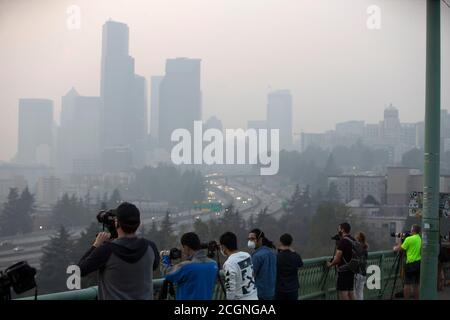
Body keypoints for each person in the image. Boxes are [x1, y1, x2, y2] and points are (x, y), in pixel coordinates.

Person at [78, 202, 160, 300]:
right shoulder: (150, 247)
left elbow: (79, 270)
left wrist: (96, 245)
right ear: (138, 223)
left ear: (117, 222)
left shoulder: (106, 251)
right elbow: (153, 266)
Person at [161, 232, 218, 300]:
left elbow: (167, 273)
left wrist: (165, 258)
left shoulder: (186, 267)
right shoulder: (213, 264)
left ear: (186, 247)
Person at [219, 231, 258, 300]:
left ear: (223, 247)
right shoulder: (246, 255)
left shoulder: (229, 264)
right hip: (254, 296)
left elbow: (230, 289)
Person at [327, 222, 356, 300]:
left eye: (339, 228)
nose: (338, 230)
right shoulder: (353, 240)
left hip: (343, 270)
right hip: (352, 269)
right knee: (351, 292)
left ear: (342, 230)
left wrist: (330, 264)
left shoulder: (343, 241)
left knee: (343, 293)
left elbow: (337, 259)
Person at [393, 224, 422, 300]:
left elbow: (399, 248)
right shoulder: (419, 238)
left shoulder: (409, 239)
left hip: (410, 263)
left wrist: (396, 245)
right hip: (418, 263)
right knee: (416, 284)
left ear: (413, 230)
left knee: (407, 283)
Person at [248, 228, 277, 300]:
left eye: (252, 239)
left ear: (260, 239)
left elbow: (251, 274)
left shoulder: (256, 256)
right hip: (272, 292)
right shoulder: (272, 252)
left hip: (260, 293)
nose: (250, 241)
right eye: (249, 239)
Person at [275, 233, 303, 300]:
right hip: (293, 288)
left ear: (281, 242)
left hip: (280, 288)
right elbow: (300, 264)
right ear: (291, 243)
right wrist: (293, 251)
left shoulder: (277, 256)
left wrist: (279, 251)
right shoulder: (295, 256)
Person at [354, 231, 368, 300]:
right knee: (360, 293)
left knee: (354, 293)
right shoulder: (365, 248)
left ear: (358, 239)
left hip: (357, 272)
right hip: (363, 273)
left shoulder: (357, 247)